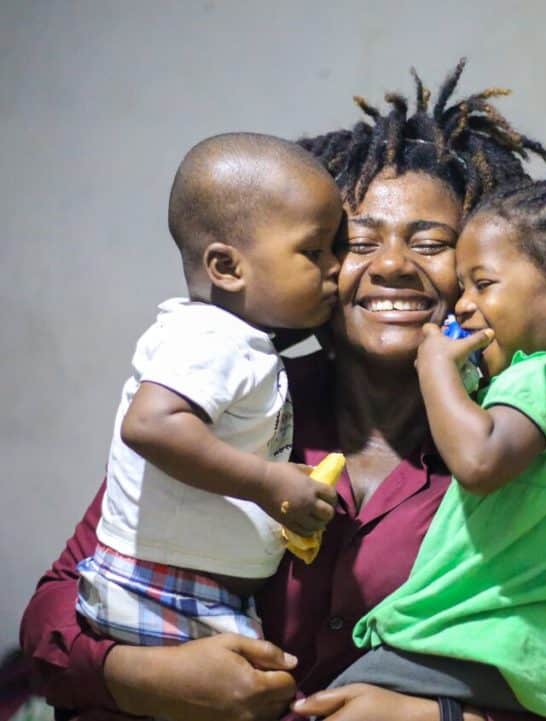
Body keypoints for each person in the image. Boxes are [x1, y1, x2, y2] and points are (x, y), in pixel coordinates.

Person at [21, 62, 546, 721]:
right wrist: (141, 676)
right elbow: (55, 607)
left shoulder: (532, 440)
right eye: (356, 242)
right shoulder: (225, 406)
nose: (392, 265)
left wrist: (443, 717)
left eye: (433, 243)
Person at [330, 178, 546, 721]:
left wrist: (435, 372)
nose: (465, 305)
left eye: (483, 284)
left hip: (486, 644)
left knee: (339, 700)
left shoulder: (543, 377)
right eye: (463, 287)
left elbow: (477, 461)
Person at [76, 133, 342, 647]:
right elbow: (151, 425)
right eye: (314, 251)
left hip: (189, 592)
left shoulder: (241, 340)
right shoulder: (211, 336)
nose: (334, 267)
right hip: (163, 593)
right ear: (226, 267)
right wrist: (269, 482)